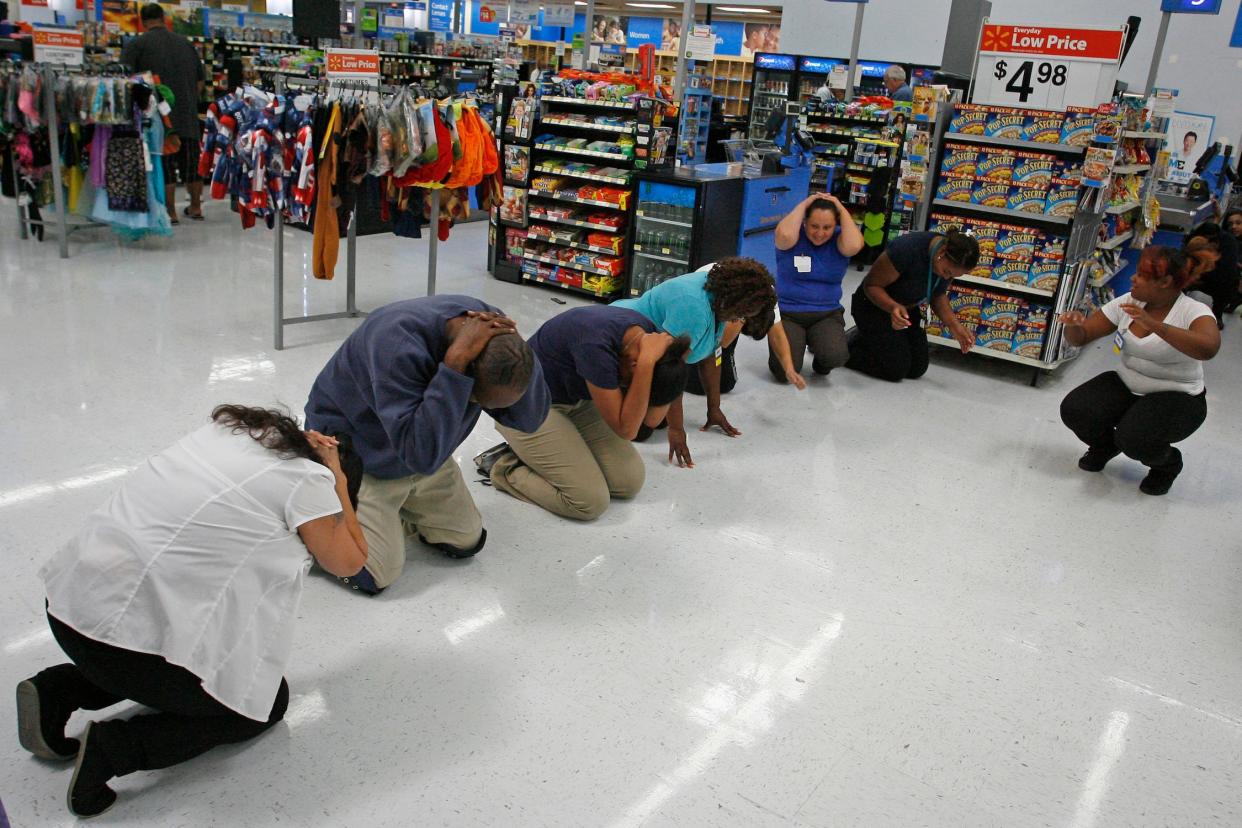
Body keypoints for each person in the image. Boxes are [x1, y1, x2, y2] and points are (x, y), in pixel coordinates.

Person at [16, 405, 366, 818]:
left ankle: (58, 690)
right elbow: (351, 561)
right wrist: (339, 483)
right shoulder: (307, 484)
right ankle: (115, 750)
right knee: (263, 702)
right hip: (117, 639)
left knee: (167, 648)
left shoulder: (235, 432)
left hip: (68, 604)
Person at [305, 296, 550, 595]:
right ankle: (312, 517)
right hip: (360, 451)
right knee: (377, 573)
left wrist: (520, 351)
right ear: (464, 375)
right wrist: (453, 366)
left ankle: (394, 511)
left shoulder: (494, 332)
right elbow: (420, 455)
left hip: (421, 442)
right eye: (475, 400)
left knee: (466, 542)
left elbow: (529, 420)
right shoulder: (394, 342)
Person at [478, 305, 691, 520]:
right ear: (637, 363)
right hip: (530, 404)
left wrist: (668, 367)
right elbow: (627, 430)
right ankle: (502, 465)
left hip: (577, 399)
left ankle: (545, 452)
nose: (627, 385)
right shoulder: (596, 344)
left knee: (629, 481)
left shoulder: (654, 345)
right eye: (631, 381)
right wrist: (645, 364)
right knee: (588, 502)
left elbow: (652, 419)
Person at [1059, 246, 1220, 495]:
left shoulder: (1193, 311)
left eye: (1142, 276)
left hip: (1178, 395)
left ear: (1165, 282)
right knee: (1076, 409)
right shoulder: (1129, 301)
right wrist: (1073, 327)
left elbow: (1209, 348)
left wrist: (1156, 326)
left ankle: (1167, 464)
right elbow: (1083, 336)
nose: (1133, 279)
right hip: (1128, 383)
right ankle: (1104, 447)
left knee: (1134, 438)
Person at [613, 258, 777, 467]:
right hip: (623, 350)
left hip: (651, 356)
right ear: (737, 301)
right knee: (641, 429)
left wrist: (714, 408)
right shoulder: (694, 309)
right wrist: (677, 430)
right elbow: (671, 369)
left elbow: (711, 353)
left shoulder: (719, 299)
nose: (738, 321)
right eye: (741, 314)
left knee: (658, 418)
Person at [845, 229, 981, 382]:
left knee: (917, 367)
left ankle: (869, 338)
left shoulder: (948, 258)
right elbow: (871, 286)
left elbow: (937, 294)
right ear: (942, 251)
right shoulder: (907, 249)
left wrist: (955, 326)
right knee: (895, 369)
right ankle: (845, 348)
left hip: (906, 310)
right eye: (947, 272)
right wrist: (892, 307)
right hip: (873, 305)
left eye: (952, 276)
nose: (946, 277)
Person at [121, 4, 207, 224]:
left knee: (167, 165)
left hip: (159, 117)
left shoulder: (136, 45)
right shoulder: (186, 45)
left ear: (142, 21)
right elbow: (200, 81)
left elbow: (126, 81)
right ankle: (196, 207)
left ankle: (171, 212)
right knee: (192, 164)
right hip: (187, 113)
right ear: (164, 18)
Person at [770, 192, 864, 382]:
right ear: (804, 222)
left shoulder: (840, 239)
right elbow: (784, 234)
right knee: (784, 373)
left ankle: (820, 354)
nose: (820, 233)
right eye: (814, 226)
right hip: (788, 313)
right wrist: (806, 203)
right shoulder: (793, 236)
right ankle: (794, 342)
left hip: (826, 313)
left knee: (835, 357)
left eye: (827, 227)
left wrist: (839, 206)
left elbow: (855, 245)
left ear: (836, 225)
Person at [1183, 221, 1239, 326]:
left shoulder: (1228, 242)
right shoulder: (1194, 239)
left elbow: (1227, 270)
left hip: (1220, 276)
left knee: (1228, 284)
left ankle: (1217, 314)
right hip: (1196, 273)